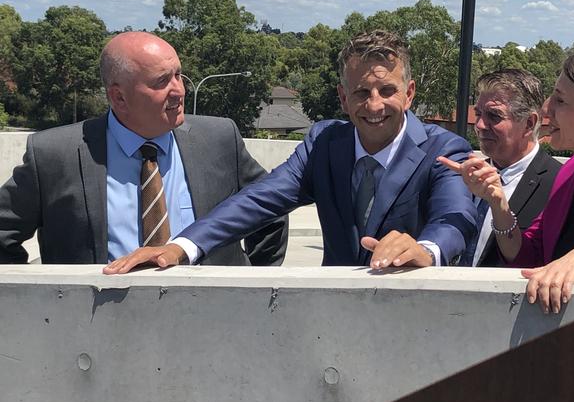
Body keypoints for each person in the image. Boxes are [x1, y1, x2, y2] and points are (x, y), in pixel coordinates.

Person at [104, 29, 477, 274]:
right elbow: (258, 199)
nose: (375, 105)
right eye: (362, 93)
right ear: (343, 98)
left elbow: (455, 218)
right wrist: (182, 247)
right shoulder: (325, 144)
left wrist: (426, 249)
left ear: (409, 93)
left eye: (387, 91)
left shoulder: (445, 149)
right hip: (334, 321)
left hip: (415, 322)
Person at [0, 31, 287, 266]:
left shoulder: (220, 139)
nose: (179, 90)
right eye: (162, 81)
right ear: (119, 97)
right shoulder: (54, 155)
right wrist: (37, 298)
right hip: (99, 327)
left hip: (209, 322)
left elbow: (270, 210)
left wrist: (251, 286)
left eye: (179, 75)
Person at [440, 42, 574, 313]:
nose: (547, 109)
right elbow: (528, 257)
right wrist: (498, 203)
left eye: (560, 100)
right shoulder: (572, 172)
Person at [460, 69, 561, 267]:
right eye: (478, 113)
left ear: (529, 123)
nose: (480, 124)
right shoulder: (465, 175)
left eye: (494, 116)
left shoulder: (559, 184)